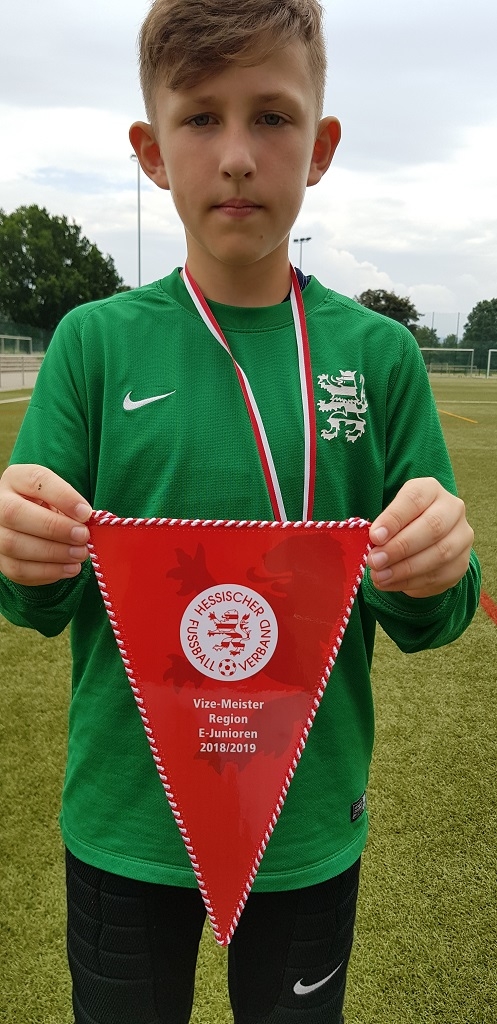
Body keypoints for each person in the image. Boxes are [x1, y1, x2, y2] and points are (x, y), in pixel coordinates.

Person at [0, 1, 480, 1022]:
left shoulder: (378, 356)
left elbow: (431, 617)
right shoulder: (92, 346)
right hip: (127, 823)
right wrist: (23, 552)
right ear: (150, 151)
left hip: (306, 823)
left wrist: (436, 565)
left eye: (270, 116)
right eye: (199, 118)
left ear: (320, 147)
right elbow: (35, 602)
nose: (234, 156)